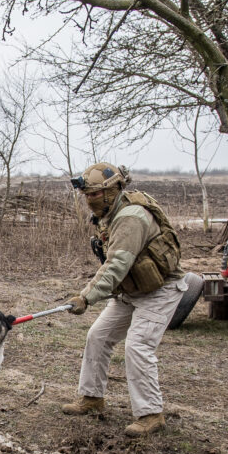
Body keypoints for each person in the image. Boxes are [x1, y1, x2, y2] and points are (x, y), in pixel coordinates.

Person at [62, 162, 186, 437]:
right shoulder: (111, 212)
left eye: (95, 194)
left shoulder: (131, 217)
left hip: (159, 290)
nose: (90, 199)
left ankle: (151, 414)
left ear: (113, 190)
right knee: (98, 336)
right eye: (87, 195)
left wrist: (86, 297)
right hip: (131, 290)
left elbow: (116, 265)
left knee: (138, 346)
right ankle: (92, 398)